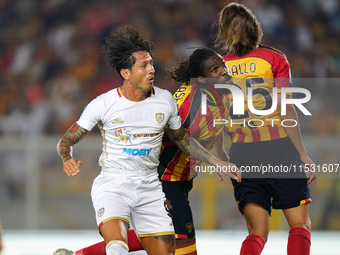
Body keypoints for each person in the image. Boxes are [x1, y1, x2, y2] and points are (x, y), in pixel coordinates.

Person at [55, 26, 240, 255]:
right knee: (120, 246)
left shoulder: (165, 100)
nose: (152, 69)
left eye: (151, 63)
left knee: (166, 247)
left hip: (152, 185)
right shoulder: (104, 104)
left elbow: (183, 137)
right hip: (129, 181)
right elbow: (67, 139)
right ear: (126, 73)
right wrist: (67, 158)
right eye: (144, 65)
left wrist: (216, 159)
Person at [214, 3, 317, 255]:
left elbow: (214, 117)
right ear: (255, 28)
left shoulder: (217, 67)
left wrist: (220, 156)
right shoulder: (275, 58)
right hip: (279, 149)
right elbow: (286, 110)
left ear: (225, 32)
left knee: (257, 232)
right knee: (300, 225)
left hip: (241, 153)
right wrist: (303, 155)